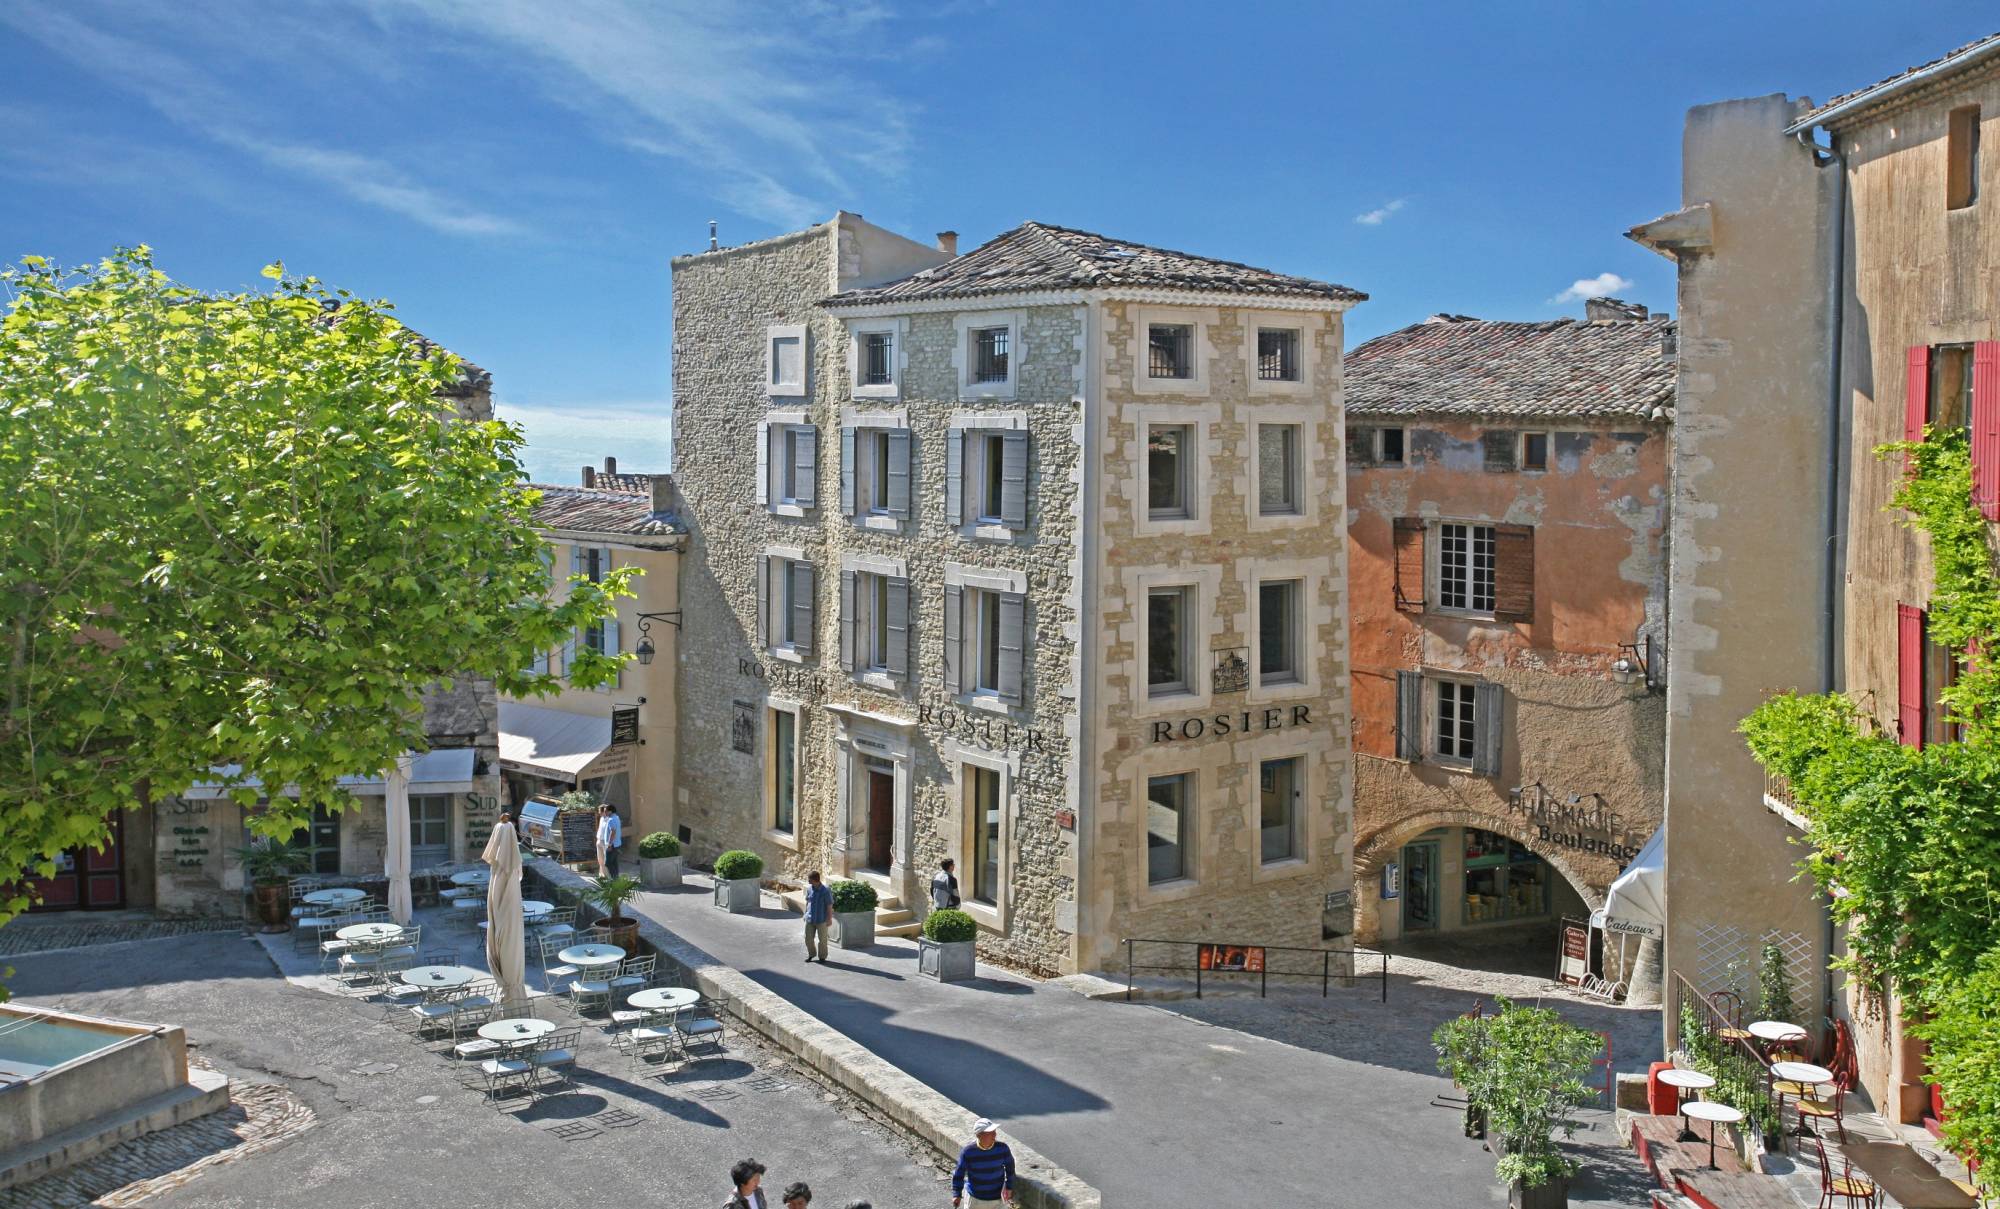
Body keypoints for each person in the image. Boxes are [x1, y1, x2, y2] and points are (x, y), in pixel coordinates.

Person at [951, 1118, 1015, 1207]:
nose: (994, 1135)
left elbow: (1010, 1169)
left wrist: (1009, 1187)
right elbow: (959, 1174)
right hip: (975, 1199)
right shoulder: (968, 1152)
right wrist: (956, 1194)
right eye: (990, 1133)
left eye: (994, 1131)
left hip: (998, 1198)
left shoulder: (1003, 1148)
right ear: (979, 1135)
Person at [802, 870, 832, 963]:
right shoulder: (809, 889)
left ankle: (822, 957)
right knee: (808, 938)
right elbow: (808, 902)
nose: (808, 881)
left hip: (821, 919)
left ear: (815, 880)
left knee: (822, 940)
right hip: (810, 918)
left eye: (809, 879)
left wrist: (829, 918)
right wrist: (805, 913)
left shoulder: (825, 890)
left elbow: (829, 905)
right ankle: (811, 954)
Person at [596, 803, 623, 877]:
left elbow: (613, 832)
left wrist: (609, 844)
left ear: (610, 811)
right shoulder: (616, 817)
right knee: (614, 862)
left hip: (612, 845)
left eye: (605, 811)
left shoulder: (611, 820)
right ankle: (616, 878)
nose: (604, 813)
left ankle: (613, 879)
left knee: (608, 863)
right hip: (616, 844)